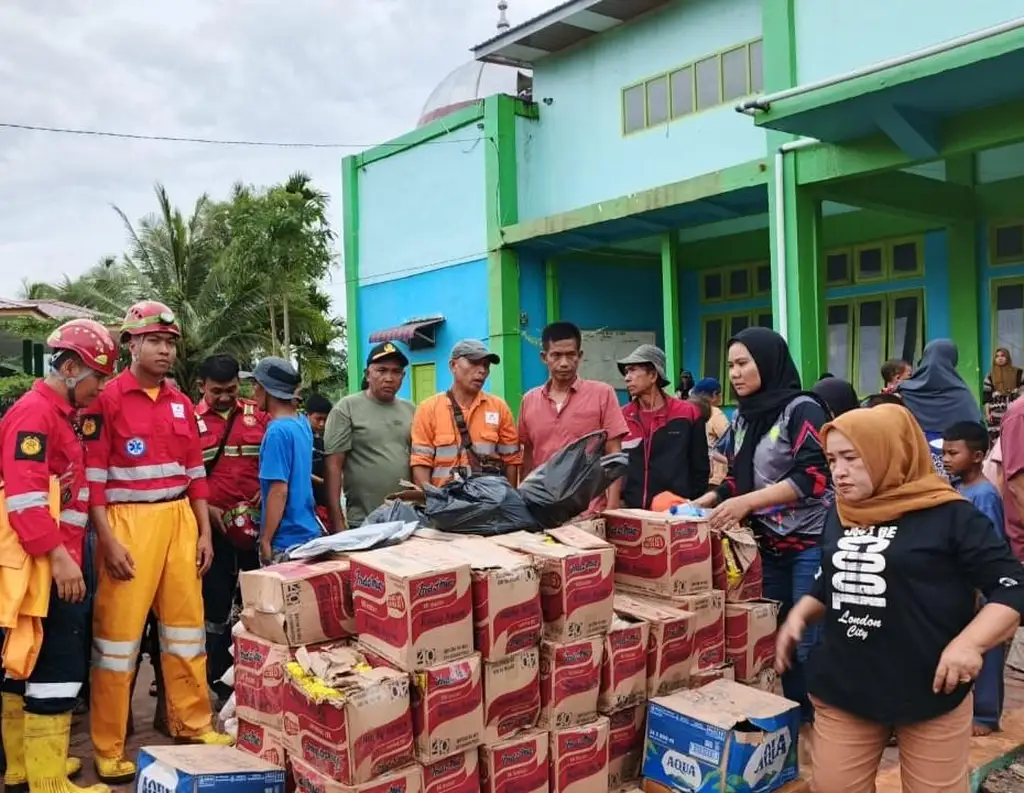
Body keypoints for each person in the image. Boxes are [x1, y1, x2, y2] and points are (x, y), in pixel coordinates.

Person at [777, 404, 1024, 793]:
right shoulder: (843, 512)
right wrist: (801, 615)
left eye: (850, 458)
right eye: (831, 459)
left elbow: (1011, 586)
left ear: (888, 452)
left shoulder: (951, 516)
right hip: (847, 686)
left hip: (930, 691)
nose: (838, 471)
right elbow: (833, 578)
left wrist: (969, 643)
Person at [84, 301, 229, 785]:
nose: (165, 351)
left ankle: (192, 722)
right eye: (155, 342)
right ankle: (107, 744)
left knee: (186, 629)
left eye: (170, 343)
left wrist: (203, 531)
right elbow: (94, 481)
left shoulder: (180, 402)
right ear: (131, 344)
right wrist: (107, 539)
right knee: (117, 641)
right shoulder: (106, 401)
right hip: (126, 524)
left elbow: (195, 474)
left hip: (179, 521)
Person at [0, 319, 117, 793]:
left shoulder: (55, 414)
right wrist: (63, 560)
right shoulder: (36, 416)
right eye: (97, 377)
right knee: (56, 666)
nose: (100, 388)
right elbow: (25, 500)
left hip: (41, 561)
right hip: (47, 563)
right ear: (70, 368)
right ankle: (46, 781)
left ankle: (23, 768)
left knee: (21, 662)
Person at [692, 327, 832, 723]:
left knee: (805, 640)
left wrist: (745, 502)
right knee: (772, 635)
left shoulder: (803, 409)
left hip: (810, 543)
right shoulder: (743, 417)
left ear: (767, 363)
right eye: (731, 365)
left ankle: (824, 726)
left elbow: (815, 477)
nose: (734, 373)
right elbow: (737, 480)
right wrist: (702, 503)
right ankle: (795, 721)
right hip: (765, 546)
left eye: (743, 363)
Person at [195, 354, 266, 707]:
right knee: (216, 605)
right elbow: (184, 478)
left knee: (257, 603)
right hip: (211, 531)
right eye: (217, 391)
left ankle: (255, 674)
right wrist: (209, 512)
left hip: (255, 527)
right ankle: (218, 677)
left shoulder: (257, 416)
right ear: (201, 387)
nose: (225, 397)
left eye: (232, 390)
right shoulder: (191, 423)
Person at [518, 322, 628, 514]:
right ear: (544, 357)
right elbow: (527, 458)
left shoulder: (603, 394)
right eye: (556, 355)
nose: (564, 363)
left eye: (571, 355)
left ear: (580, 356)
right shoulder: (529, 400)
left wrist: (612, 508)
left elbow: (614, 455)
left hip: (589, 513)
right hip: (542, 513)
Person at [943, 420, 1008, 737]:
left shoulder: (984, 494)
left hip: (981, 586)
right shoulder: (957, 490)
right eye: (944, 452)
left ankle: (986, 713)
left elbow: (991, 542)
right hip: (960, 583)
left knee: (988, 648)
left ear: (979, 455)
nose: (946, 459)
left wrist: (983, 587)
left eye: (953, 453)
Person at [323, 343, 415, 530]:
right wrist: (338, 522)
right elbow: (333, 466)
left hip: (406, 517)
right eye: (381, 370)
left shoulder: (411, 410)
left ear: (403, 377)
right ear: (367, 374)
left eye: (396, 372)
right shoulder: (346, 408)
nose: (389, 378)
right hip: (364, 520)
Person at [410, 340, 521, 487]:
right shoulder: (428, 409)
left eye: (486, 365)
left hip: (489, 503)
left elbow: (511, 461)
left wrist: (508, 500)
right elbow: (420, 461)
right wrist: (431, 501)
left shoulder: (499, 408)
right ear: (453, 365)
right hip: (445, 503)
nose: (482, 370)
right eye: (474, 363)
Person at [250, 357, 324, 564]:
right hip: (308, 532)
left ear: (266, 389)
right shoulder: (301, 424)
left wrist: (265, 540)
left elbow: (279, 491)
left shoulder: (277, 432)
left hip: (286, 540)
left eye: (255, 386)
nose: (252, 392)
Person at [617, 345, 709, 508]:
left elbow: (700, 470)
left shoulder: (688, 414)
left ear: (653, 375)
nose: (627, 378)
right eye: (626, 372)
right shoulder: (621, 417)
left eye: (632, 370)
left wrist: (691, 507)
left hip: (675, 513)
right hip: (631, 513)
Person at [898, 339, 984, 477]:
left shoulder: (903, 391)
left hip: (914, 466)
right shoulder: (961, 393)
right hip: (953, 465)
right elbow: (977, 429)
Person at [690, 377, 729, 487]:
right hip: (716, 478)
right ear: (714, 394)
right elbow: (730, 441)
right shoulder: (715, 413)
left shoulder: (688, 410)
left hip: (694, 475)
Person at [983, 348, 1023, 444]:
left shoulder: (1018, 373)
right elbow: (986, 396)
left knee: (1015, 438)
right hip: (996, 414)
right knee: (996, 440)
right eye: (997, 356)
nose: (1000, 358)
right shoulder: (990, 376)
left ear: (1007, 357)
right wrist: (988, 414)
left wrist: (1016, 392)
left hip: (1015, 411)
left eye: (1002, 355)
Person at [304, 394, 332, 520]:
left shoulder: (321, 439)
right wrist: (322, 481)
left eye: (326, 420)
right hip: (307, 496)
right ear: (307, 415)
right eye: (318, 419)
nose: (322, 424)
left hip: (322, 497)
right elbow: (299, 469)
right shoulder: (301, 438)